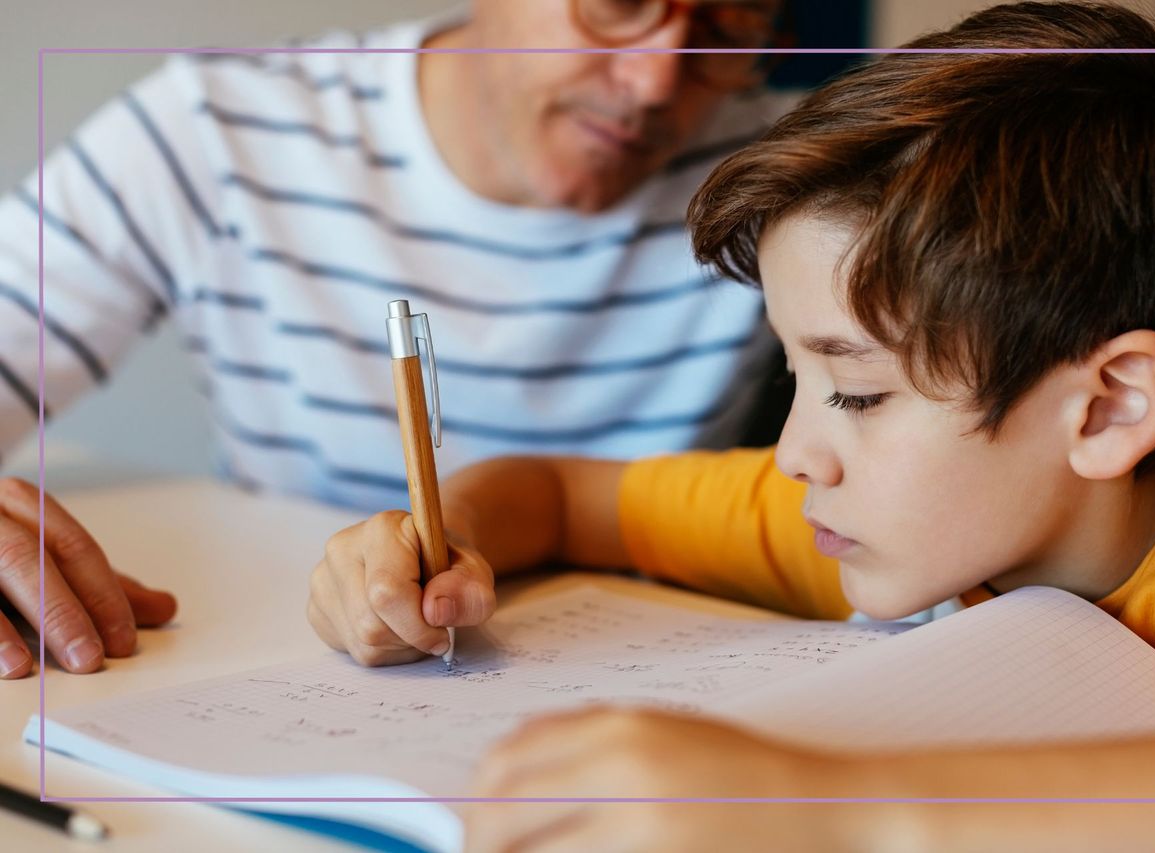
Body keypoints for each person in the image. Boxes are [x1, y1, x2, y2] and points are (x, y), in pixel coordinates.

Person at [306, 2, 1155, 848]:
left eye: (857, 394)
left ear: (1107, 407)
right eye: (794, 375)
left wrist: (832, 809)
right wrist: (433, 543)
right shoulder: (882, 523)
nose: (794, 452)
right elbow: (557, 495)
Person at [0, 0, 800, 678]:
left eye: (729, 25)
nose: (656, 80)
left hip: (641, 678)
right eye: (621, 1)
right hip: (272, 669)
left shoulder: (795, 181)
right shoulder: (213, 131)